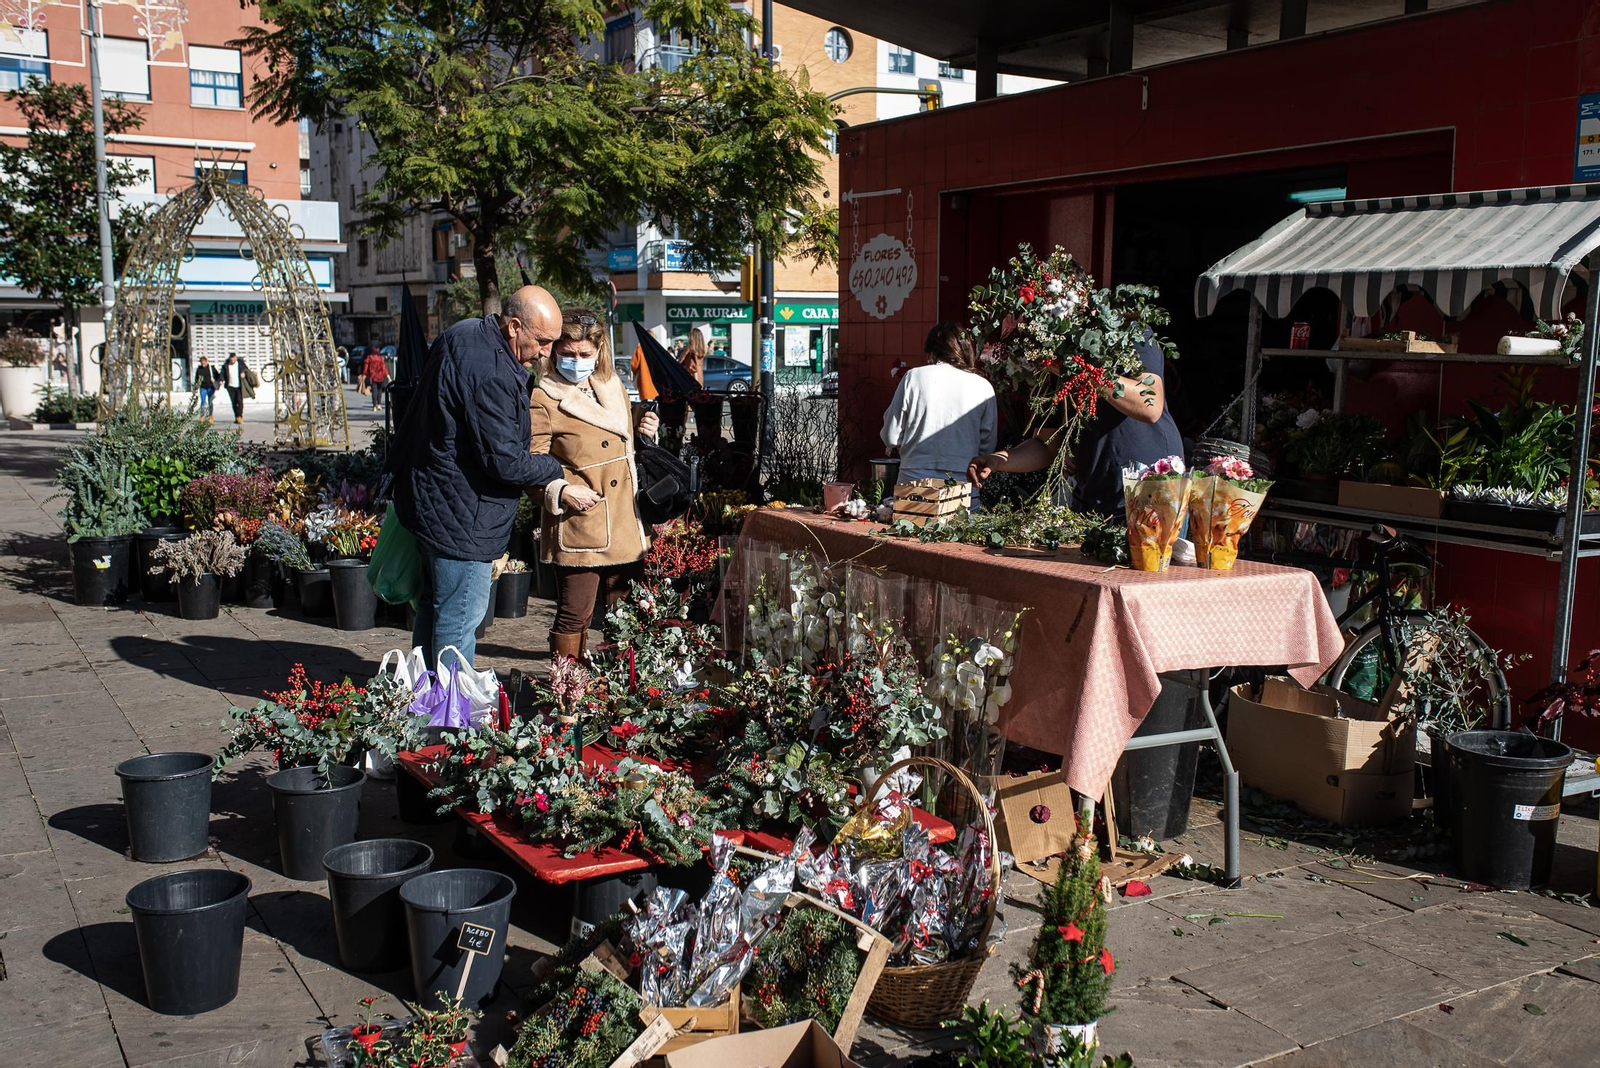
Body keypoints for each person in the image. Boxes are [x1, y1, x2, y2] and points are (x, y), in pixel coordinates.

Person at [388, 286, 566, 670]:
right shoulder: (494, 373)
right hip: (465, 516)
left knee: (434, 611)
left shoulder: (463, 332)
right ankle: (450, 720)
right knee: (459, 621)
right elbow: (505, 462)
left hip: (433, 501)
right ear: (514, 326)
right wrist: (553, 468)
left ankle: (425, 704)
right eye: (542, 341)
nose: (547, 352)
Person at [530, 308, 661, 658]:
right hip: (580, 519)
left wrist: (642, 426)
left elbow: (614, 435)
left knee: (624, 615)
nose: (576, 361)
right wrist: (560, 491)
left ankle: (620, 694)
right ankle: (568, 693)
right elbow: (530, 464)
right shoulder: (544, 396)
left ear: (599, 351)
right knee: (575, 613)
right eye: (567, 354)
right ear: (554, 351)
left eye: (584, 354)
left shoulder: (611, 384)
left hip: (624, 518)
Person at [968, 336, 1182, 515]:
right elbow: (1046, 446)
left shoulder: (1130, 333)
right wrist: (999, 460)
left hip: (1153, 491)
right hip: (1094, 497)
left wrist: (1080, 370)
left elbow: (1150, 406)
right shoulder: (1051, 365)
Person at [880, 323, 998, 506]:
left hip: (913, 484)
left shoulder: (914, 377)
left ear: (932, 352)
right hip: (964, 487)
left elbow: (891, 436)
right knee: (964, 533)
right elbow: (987, 448)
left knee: (908, 532)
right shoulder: (983, 387)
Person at [629, 323, 667, 401]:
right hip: (657, 384)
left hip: (645, 383)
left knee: (645, 407)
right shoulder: (657, 349)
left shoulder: (640, 348)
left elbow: (634, 365)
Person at [222, 352, 245, 424]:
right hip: (230, 386)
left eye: (233, 360)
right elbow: (222, 374)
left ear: (236, 358)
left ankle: (240, 416)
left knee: (239, 401)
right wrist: (220, 380)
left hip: (239, 386)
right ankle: (236, 417)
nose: (232, 361)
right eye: (231, 360)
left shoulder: (240, 364)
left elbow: (246, 370)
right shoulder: (226, 365)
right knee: (234, 402)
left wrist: (243, 373)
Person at [193, 355, 217, 422]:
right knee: (203, 402)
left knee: (210, 402)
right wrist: (196, 386)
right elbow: (196, 379)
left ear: (206, 361)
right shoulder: (199, 369)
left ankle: (210, 416)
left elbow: (218, 375)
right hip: (203, 387)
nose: (203, 364)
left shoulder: (211, 368)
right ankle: (202, 416)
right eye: (202, 363)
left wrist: (215, 380)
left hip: (210, 387)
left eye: (204, 363)